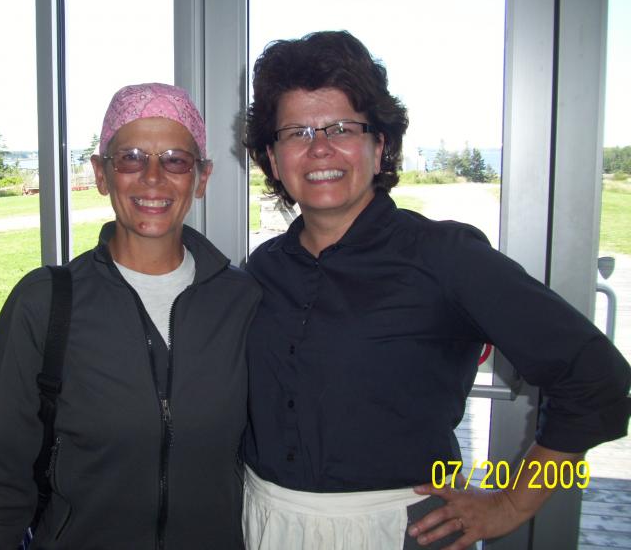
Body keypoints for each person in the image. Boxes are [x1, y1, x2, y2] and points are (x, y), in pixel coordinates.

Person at [242, 31, 630, 549]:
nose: (319, 149)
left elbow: (600, 382)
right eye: (296, 132)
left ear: (380, 146)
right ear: (271, 156)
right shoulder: (262, 270)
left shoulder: (445, 256)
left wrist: (512, 503)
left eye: (341, 128)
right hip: (263, 522)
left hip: (398, 529)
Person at [0, 83, 261, 549]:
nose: (153, 178)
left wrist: (423, 470)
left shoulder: (242, 303)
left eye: (175, 160)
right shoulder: (45, 304)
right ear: (102, 174)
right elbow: (0, 478)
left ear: (202, 178)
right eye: (131, 158)